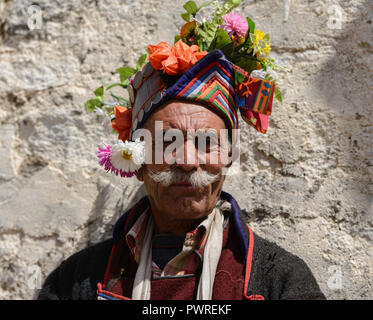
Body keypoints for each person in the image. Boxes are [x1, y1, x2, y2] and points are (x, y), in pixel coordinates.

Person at [38, 0, 325, 300]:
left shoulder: (280, 280)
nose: (187, 161)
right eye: (167, 142)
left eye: (206, 143)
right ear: (138, 163)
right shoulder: (77, 281)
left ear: (228, 158)